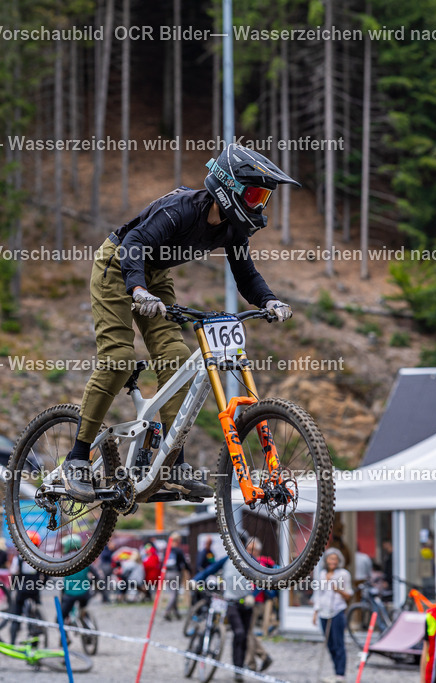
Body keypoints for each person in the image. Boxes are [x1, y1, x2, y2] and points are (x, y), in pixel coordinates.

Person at [57, 144, 298, 503]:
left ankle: (173, 465)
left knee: (176, 355)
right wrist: (137, 289)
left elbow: (245, 273)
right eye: (254, 194)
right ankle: (76, 458)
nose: (258, 205)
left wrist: (269, 300)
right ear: (229, 188)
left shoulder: (233, 229)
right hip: (118, 265)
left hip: (155, 278)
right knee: (119, 358)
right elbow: (135, 242)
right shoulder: (181, 210)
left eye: (263, 197)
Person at [312, 548, 353, 683]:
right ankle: (336, 673)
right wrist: (315, 612)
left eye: (335, 559)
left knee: (338, 644)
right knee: (329, 644)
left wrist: (339, 590)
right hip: (324, 612)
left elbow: (349, 595)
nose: (332, 561)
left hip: (337, 611)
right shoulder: (322, 574)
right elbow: (318, 594)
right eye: (330, 559)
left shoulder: (344, 574)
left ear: (339, 561)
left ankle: (340, 674)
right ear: (326, 560)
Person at [224, 537, 262, 682]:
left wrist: (253, 595)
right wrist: (196, 580)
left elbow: (262, 580)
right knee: (239, 633)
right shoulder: (227, 559)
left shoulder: (252, 560)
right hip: (231, 603)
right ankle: (237, 666)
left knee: (244, 636)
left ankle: (238, 669)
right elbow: (210, 569)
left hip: (246, 604)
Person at [8, 531, 46, 644]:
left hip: (21, 590)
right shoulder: (39, 558)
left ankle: (12, 641)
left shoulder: (19, 558)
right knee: (34, 615)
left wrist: (13, 588)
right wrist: (41, 586)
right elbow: (46, 575)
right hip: (35, 590)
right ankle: (35, 641)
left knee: (16, 616)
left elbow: (14, 574)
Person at [60, 536, 93, 624]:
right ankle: (84, 618)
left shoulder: (64, 560)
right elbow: (96, 575)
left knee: (60, 617)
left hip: (70, 594)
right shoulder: (85, 558)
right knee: (82, 607)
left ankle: (64, 636)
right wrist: (90, 584)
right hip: (85, 593)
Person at [163, 532, 192, 621]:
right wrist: (190, 570)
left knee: (173, 592)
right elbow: (184, 562)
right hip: (176, 573)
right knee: (174, 593)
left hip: (168, 573)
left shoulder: (166, 550)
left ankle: (176, 613)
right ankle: (167, 611)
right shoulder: (178, 550)